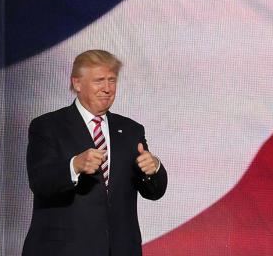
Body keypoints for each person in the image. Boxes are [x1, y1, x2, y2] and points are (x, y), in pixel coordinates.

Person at [23, 50, 168, 256]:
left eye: (112, 80)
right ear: (77, 84)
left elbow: (155, 192)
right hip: (63, 250)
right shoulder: (47, 126)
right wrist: (74, 166)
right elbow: (40, 182)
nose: (107, 89)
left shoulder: (130, 130)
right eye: (99, 81)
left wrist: (154, 169)